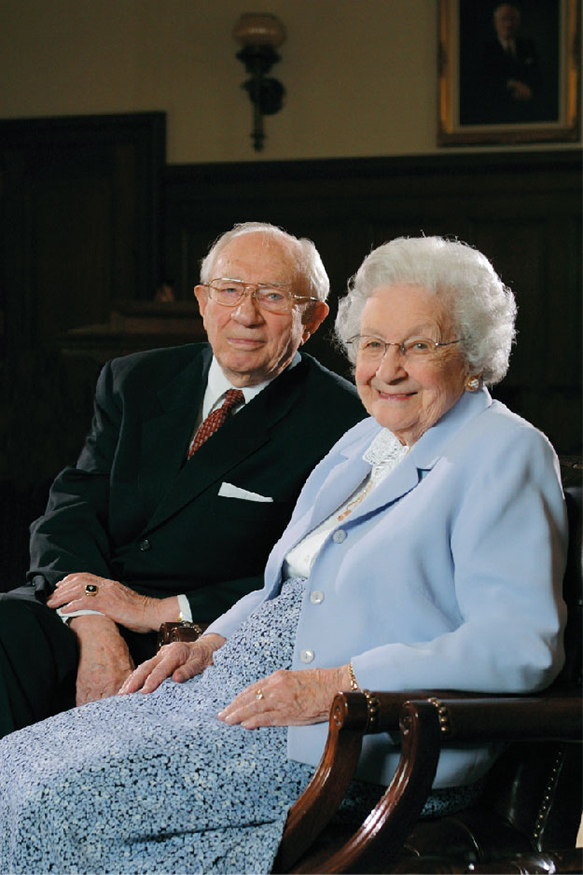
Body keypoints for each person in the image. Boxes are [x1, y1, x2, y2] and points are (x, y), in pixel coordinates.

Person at [0, 236, 567, 875]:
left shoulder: (506, 452)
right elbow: (289, 585)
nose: (388, 369)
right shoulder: (366, 441)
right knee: (12, 768)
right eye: (374, 345)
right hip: (238, 688)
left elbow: (522, 645)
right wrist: (209, 644)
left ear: (472, 357)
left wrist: (334, 686)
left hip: (355, 733)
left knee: (56, 798)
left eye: (418, 345)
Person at [0, 221, 365, 738]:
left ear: (313, 317)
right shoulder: (134, 380)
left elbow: (312, 579)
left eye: (273, 296)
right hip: (90, 604)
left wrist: (153, 611)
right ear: (201, 300)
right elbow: (72, 508)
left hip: (201, 635)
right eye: (230, 290)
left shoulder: (347, 421)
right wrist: (91, 616)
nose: (246, 314)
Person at [461, 2, 547, 125]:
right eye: (504, 19)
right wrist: (511, 84)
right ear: (495, 23)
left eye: (512, 19)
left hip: (526, 113)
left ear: (518, 22)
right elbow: (480, 81)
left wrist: (530, 92)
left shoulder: (528, 46)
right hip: (494, 113)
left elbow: (538, 76)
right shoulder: (484, 49)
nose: (508, 24)